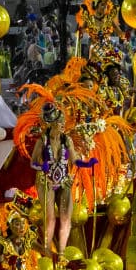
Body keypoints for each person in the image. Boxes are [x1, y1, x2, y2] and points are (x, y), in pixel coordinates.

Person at [30, 102, 76, 254]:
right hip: (46, 182)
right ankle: (47, 250)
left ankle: (61, 252)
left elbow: (74, 160)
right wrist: (41, 167)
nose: (62, 126)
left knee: (66, 218)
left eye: (63, 123)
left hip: (63, 181)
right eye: (59, 123)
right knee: (50, 219)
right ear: (52, 124)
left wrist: (86, 163)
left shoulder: (67, 140)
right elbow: (33, 162)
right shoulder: (42, 141)